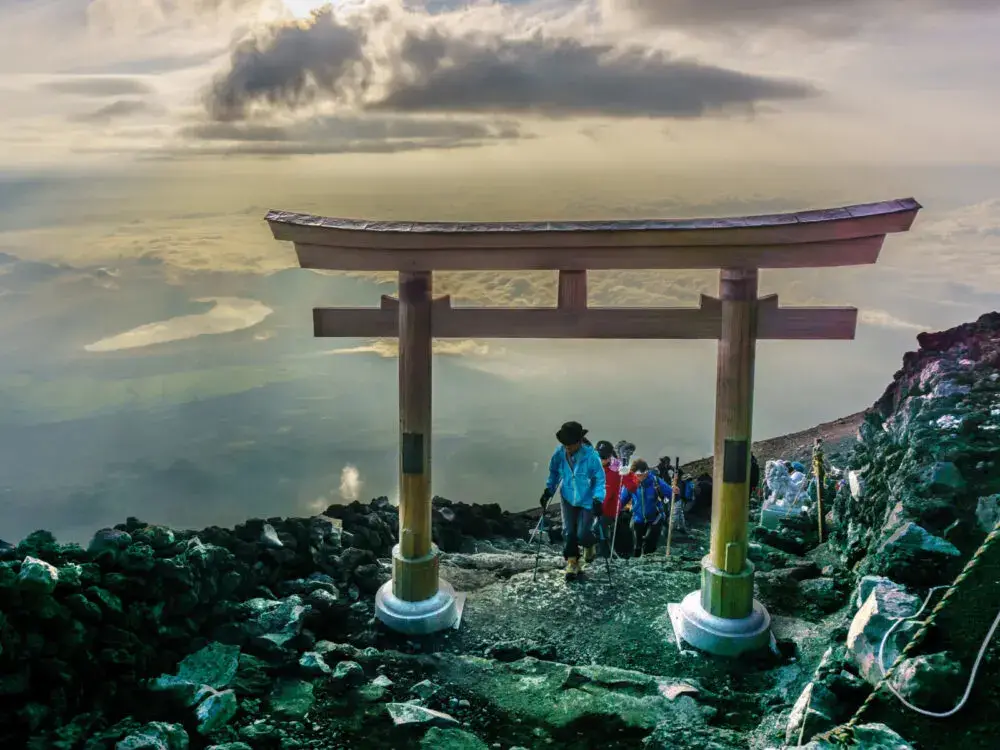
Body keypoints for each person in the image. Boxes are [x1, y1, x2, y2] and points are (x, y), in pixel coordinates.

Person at [539, 421, 606, 580]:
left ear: (579, 442)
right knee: (568, 532)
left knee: (582, 534)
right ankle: (572, 562)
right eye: (564, 444)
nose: (566, 447)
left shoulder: (591, 457)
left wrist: (598, 499)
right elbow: (554, 473)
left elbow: (599, 479)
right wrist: (548, 490)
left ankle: (589, 544)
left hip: (587, 500)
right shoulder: (559, 454)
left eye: (569, 444)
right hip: (568, 497)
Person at [619, 458, 672, 558]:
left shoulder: (656, 481)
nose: (640, 477)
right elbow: (622, 500)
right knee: (636, 548)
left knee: (648, 549)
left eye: (642, 474)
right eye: (637, 475)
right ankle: (636, 569)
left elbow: (672, 496)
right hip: (637, 519)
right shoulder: (631, 483)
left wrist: (675, 492)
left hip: (655, 519)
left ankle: (649, 567)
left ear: (647, 471)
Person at [587, 440, 622, 562]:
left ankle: (608, 557)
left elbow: (608, 494)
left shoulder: (614, 473)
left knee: (598, 528)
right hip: (596, 505)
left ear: (609, 457)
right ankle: (599, 554)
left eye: (602, 457)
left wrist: (596, 508)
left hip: (608, 509)